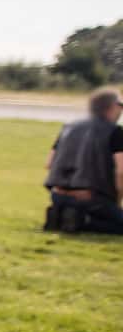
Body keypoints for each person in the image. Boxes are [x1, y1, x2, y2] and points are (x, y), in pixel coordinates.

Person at [44, 86, 123, 234]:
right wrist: (117, 203)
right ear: (112, 106)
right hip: (91, 199)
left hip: (57, 195)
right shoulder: (114, 131)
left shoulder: (69, 127)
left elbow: (49, 164)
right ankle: (82, 221)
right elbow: (121, 171)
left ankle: (61, 216)